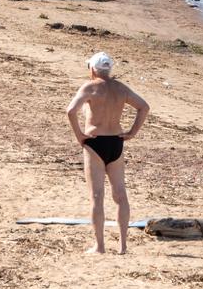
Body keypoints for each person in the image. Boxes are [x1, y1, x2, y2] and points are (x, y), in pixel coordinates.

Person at [64, 52, 150, 254]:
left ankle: (100, 246)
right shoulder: (120, 88)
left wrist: (79, 135)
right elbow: (144, 107)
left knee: (97, 196)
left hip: (95, 143)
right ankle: (122, 246)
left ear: (92, 69)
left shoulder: (90, 87)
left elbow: (70, 111)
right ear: (109, 69)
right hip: (115, 142)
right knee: (120, 195)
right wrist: (132, 132)